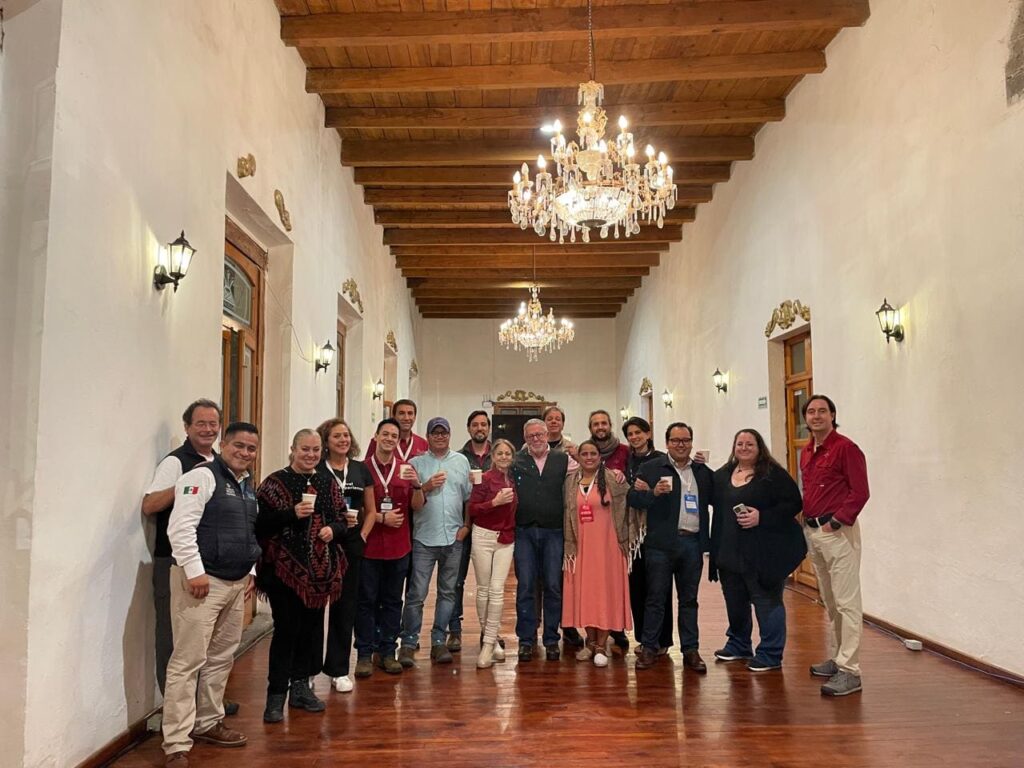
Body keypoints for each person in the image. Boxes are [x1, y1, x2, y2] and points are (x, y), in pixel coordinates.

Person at [161, 422, 261, 768]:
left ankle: (208, 722)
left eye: (251, 448)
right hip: (203, 583)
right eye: (239, 445)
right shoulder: (201, 476)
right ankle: (176, 742)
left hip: (235, 583)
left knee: (221, 658)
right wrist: (194, 571)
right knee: (187, 661)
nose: (245, 453)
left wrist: (250, 572)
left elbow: (248, 533)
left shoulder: (247, 486)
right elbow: (180, 528)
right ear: (223, 444)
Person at [142, 398, 240, 712]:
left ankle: (204, 705)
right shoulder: (176, 462)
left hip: (212, 565)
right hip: (177, 562)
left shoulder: (221, 463)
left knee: (207, 640)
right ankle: (174, 710)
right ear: (187, 427)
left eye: (213, 423)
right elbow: (150, 505)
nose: (208, 429)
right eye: (201, 423)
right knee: (174, 639)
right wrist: (186, 483)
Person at [255, 429, 348, 723]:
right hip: (283, 574)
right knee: (286, 632)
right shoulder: (274, 483)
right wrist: (291, 514)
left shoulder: (327, 482)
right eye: (305, 449)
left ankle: (300, 689)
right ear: (293, 449)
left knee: (310, 632)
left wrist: (333, 529)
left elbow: (342, 517)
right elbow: (259, 524)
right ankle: (275, 697)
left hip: (320, 576)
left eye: (315, 450)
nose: (310, 455)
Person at [709, 429, 804, 672]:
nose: (744, 448)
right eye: (739, 443)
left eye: (749, 444)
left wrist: (762, 517)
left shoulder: (772, 474)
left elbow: (794, 503)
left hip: (762, 554)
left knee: (766, 602)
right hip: (729, 553)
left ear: (759, 447)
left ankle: (771, 653)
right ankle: (739, 644)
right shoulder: (723, 475)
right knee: (735, 603)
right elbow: (707, 494)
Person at [628, 422, 713, 673]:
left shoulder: (701, 471)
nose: (681, 445)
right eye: (675, 440)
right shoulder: (652, 468)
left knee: (689, 600)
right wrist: (653, 493)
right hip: (660, 545)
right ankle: (649, 647)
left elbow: (716, 497)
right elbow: (633, 499)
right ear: (667, 443)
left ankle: (691, 650)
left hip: (692, 543)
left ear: (691, 442)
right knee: (655, 598)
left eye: (685, 440)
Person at [800, 395, 870, 696]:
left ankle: (850, 671)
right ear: (806, 418)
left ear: (832, 415)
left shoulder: (846, 448)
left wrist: (837, 521)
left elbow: (860, 492)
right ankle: (839, 657)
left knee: (847, 602)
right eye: (811, 412)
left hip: (837, 533)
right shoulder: (807, 451)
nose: (816, 416)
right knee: (829, 600)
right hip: (814, 532)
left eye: (822, 411)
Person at [354, 419, 425, 677]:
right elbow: (353, 507)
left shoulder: (406, 469)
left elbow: (417, 506)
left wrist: (417, 485)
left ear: (398, 440)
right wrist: (380, 518)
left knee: (393, 601)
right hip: (369, 546)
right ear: (376, 436)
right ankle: (364, 653)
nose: (389, 439)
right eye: (385, 434)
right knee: (366, 601)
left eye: (394, 436)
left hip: (398, 546)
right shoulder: (361, 468)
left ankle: (387, 651)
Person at [399, 417, 472, 666]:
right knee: (416, 594)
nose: (440, 437)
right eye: (435, 433)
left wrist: (466, 526)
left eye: (444, 433)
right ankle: (408, 643)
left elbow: (468, 498)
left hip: (453, 538)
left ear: (450, 435)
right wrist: (426, 486)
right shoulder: (416, 464)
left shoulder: (461, 461)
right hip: (424, 539)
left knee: (448, 593)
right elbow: (413, 505)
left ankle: (439, 640)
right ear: (428, 436)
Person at [562, 441, 638, 667]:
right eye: (584, 453)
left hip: (608, 547)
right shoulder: (570, 481)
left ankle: (601, 645)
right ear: (578, 456)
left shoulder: (614, 479)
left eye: (593, 453)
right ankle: (591, 641)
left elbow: (630, 505)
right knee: (584, 593)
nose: (588, 457)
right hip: (579, 547)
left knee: (605, 594)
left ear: (600, 456)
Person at [317, 418, 375, 693]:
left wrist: (362, 535)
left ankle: (338, 669)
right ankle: (308, 669)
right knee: (315, 608)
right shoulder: (318, 469)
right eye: (336, 436)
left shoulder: (361, 469)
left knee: (345, 607)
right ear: (326, 441)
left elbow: (371, 510)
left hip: (352, 545)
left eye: (346, 435)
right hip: (321, 543)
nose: (343, 440)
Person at [512, 418, 575, 662]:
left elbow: (589, 470)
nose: (536, 439)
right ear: (525, 438)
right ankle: (526, 640)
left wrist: (615, 476)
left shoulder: (563, 459)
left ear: (548, 435)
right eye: (531, 436)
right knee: (526, 586)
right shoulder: (516, 461)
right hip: (524, 531)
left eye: (539, 434)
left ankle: (551, 639)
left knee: (553, 586)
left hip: (554, 531)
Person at [611, 416, 673, 658]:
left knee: (658, 589)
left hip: (656, 530)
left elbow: (667, 493)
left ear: (648, 434)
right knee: (636, 587)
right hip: (632, 533)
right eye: (630, 434)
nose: (634, 437)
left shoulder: (662, 460)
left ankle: (663, 639)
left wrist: (649, 492)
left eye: (638, 432)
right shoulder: (627, 460)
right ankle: (644, 638)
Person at [467, 438, 518, 668]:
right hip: (483, 536)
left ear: (512, 457)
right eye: (500, 453)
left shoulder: (515, 480)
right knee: (484, 590)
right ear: (493, 456)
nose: (504, 457)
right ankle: (492, 640)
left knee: (497, 591)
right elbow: (472, 509)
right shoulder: (484, 479)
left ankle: (488, 645)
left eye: (508, 453)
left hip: (506, 539)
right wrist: (494, 502)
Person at [448, 410, 494, 652]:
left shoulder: (499, 455)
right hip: (464, 526)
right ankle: (454, 631)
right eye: (475, 424)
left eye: (483, 424)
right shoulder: (457, 458)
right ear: (468, 428)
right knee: (456, 581)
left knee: (491, 584)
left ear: (489, 428)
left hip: (491, 527)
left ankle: (490, 631)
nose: (479, 428)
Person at [364, 398, 428, 463]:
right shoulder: (379, 441)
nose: (406, 418)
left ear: (414, 417)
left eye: (410, 413)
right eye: (401, 413)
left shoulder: (423, 444)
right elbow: (368, 465)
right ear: (394, 416)